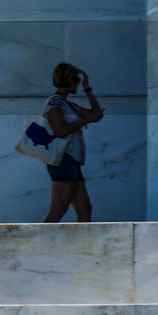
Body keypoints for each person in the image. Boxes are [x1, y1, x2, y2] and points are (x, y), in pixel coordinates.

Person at [43, 63, 104, 223]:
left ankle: (85, 246)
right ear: (66, 79)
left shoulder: (67, 104)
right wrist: (84, 120)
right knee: (58, 209)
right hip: (63, 159)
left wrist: (87, 89)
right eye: (76, 79)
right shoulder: (55, 102)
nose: (77, 82)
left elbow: (96, 115)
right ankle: (36, 246)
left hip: (72, 160)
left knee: (85, 210)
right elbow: (60, 131)